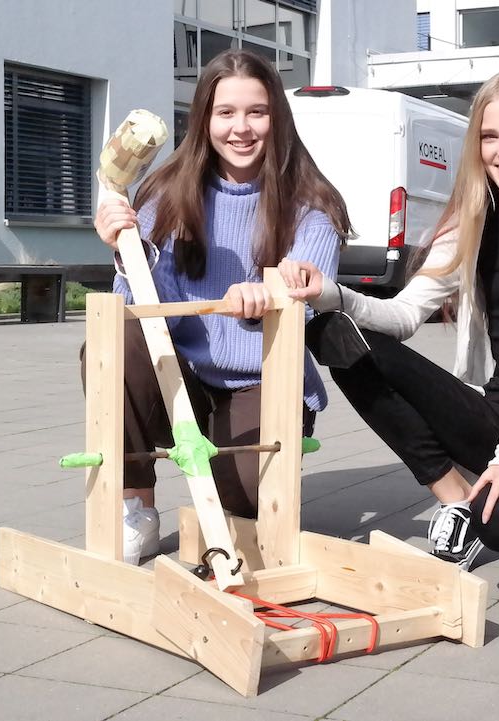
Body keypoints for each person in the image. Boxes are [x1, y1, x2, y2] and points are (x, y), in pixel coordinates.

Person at [278, 69, 499, 575]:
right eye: (490, 136)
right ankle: (454, 497)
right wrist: (333, 294)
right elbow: (402, 316)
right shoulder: (472, 220)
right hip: (496, 407)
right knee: (334, 332)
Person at [88, 49, 349, 564]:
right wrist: (124, 256)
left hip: (262, 381)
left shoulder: (312, 207)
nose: (241, 127)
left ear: (277, 117)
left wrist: (269, 301)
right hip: (179, 375)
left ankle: (237, 486)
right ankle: (135, 504)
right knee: (116, 340)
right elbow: (136, 311)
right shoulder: (163, 194)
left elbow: (311, 302)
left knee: (247, 501)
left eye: (257, 111)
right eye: (225, 112)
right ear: (204, 118)